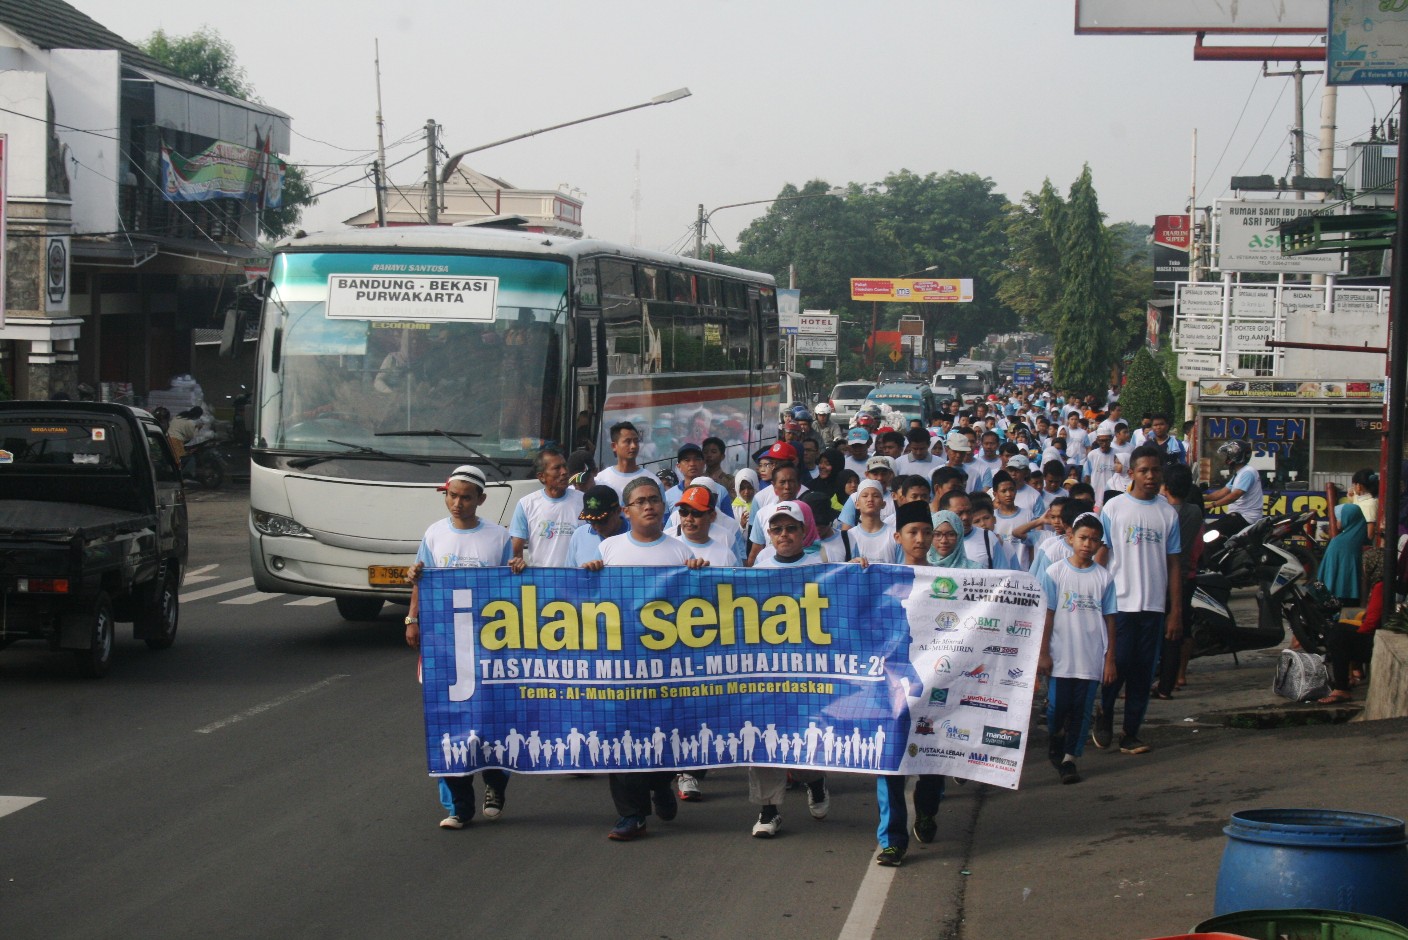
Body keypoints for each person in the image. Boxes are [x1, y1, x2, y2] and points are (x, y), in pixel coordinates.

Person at [581, 476, 708, 841]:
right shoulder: (609, 551)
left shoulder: (681, 552)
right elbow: (588, 606)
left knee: (665, 735)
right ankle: (631, 815)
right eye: (641, 501)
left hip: (667, 666)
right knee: (620, 738)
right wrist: (589, 576)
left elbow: (699, 609)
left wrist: (700, 574)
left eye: (654, 499)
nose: (650, 505)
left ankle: (660, 784)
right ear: (626, 511)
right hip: (621, 665)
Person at [404, 465, 513, 829]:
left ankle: (495, 786)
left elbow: (514, 590)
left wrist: (518, 569)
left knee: (491, 720)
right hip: (445, 646)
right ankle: (459, 806)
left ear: (481, 499)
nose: (458, 503)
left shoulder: (499, 538)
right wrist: (412, 617)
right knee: (449, 721)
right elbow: (421, 577)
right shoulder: (434, 534)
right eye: (453, 495)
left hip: (489, 646)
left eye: (466, 497)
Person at [748, 500, 832, 836]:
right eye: (777, 529)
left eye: (791, 528)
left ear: (803, 532)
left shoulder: (823, 566)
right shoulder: (758, 570)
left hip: (807, 670)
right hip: (766, 670)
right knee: (761, 739)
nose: (784, 534)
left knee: (801, 743)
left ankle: (815, 780)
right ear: (768, 534)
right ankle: (768, 810)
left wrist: (860, 569)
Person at [1093, 446, 1182, 756]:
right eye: (1143, 470)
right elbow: (1101, 555)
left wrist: (1175, 612)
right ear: (1131, 473)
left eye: (1155, 471)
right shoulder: (1114, 509)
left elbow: (1173, 564)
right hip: (1120, 604)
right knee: (1117, 667)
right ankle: (1104, 714)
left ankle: (1131, 733)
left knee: (1143, 673)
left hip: (1153, 607)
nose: (1150, 476)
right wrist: (1095, 597)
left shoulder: (1168, 512)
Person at [874, 499, 948, 867]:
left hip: (934, 683)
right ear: (898, 536)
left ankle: (928, 809)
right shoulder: (882, 578)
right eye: (913, 533)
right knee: (889, 761)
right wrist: (859, 572)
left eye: (926, 532)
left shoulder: (949, 582)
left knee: (933, 758)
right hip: (893, 684)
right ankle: (893, 840)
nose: (920, 539)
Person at [1038, 512, 1117, 785]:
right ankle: (1055, 739)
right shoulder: (1055, 572)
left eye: (1094, 540)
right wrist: (1044, 652)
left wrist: (1109, 660)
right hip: (1061, 655)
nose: (1087, 544)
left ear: (1100, 544)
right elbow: (1046, 615)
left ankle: (1070, 758)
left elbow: (1110, 620)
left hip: (1091, 656)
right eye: (1083, 537)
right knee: (1057, 707)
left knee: (1082, 709)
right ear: (1071, 538)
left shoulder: (1104, 578)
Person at [1155, 465, 1203, 699]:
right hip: (1188, 577)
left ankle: (1156, 679)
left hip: (1164, 578)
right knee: (1178, 631)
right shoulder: (1195, 511)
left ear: (1166, 487)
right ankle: (1172, 680)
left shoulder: (1163, 513)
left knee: (1158, 631)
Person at [508, 447, 584, 571]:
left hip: (575, 580)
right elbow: (516, 552)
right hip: (542, 581)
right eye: (556, 468)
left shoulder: (583, 501)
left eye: (565, 466)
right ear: (541, 476)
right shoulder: (526, 504)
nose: (564, 472)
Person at [1318, 579, 1385, 704]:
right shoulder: (1390, 585)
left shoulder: (1383, 586)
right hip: (1377, 637)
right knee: (1341, 631)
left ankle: (1342, 688)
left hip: (1378, 642)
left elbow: (1370, 623)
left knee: (1339, 634)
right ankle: (1348, 677)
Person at [671, 483, 739, 568]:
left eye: (696, 513)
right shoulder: (668, 549)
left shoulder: (726, 556)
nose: (688, 518)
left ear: (712, 516)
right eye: (684, 512)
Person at [1205, 440, 1263, 529]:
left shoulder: (1248, 472)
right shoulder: (1239, 473)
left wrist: (1212, 505)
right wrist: (1202, 498)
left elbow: (1234, 496)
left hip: (1246, 517)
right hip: (1238, 515)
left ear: (1235, 456)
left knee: (1210, 530)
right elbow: (1223, 492)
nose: (1226, 459)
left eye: (1227, 455)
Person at [566, 485, 628, 568]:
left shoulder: (636, 534)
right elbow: (570, 575)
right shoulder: (579, 535)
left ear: (618, 511)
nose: (596, 527)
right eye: (591, 521)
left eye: (602, 521)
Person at [1321, 502, 1369, 606]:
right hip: (1357, 594)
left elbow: (1328, 572)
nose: (1337, 521)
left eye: (1339, 518)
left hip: (1338, 594)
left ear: (1347, 519)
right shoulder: (1362, 538)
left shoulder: (1338, 542)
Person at [595, 421, 655, 501]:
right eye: (628, 442)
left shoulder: (652, 481)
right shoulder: (600, 479)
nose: (633, 446)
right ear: (614, 446)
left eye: (636, 441)